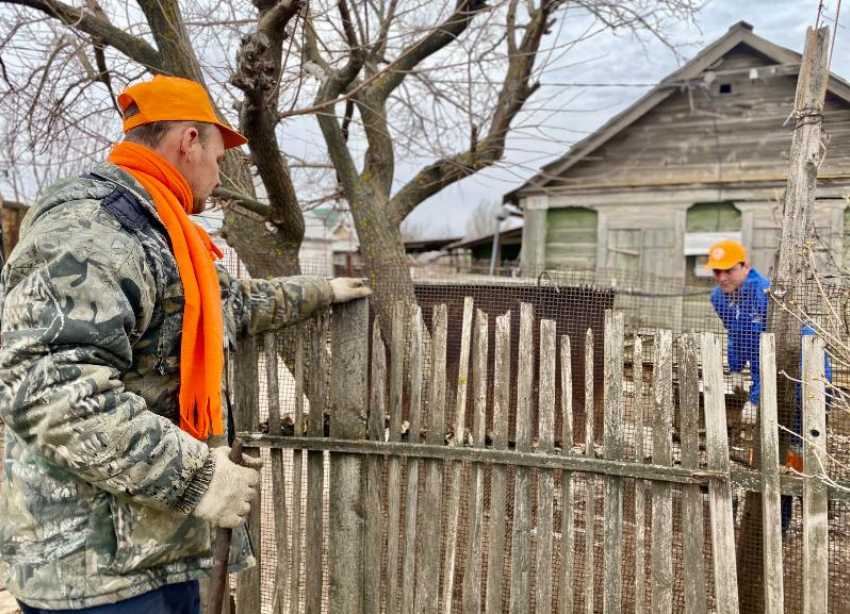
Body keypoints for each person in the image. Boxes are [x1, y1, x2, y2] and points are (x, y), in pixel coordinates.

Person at [0, 75, 371, 613]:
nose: (220, 178)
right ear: (188, 141)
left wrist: (323, 290)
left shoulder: (160, 232)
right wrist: (196, 475)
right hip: (94, 570)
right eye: (219, 159)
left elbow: (231, 304)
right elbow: (44, 385)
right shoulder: (93, 229)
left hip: (152, 548)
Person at [705, 239, 830, 529]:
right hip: (766, 379)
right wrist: (735, 369)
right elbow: (736, 334)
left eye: (728, 270)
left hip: (803, 380)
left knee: (797, 452)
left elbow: (779, 354)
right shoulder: (719, 297)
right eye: (716, 272)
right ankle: (771, 521)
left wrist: (756, 399)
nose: (722, 277)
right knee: (768, 451)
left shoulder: (766, 294)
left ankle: (810, 515)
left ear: (745, 267)